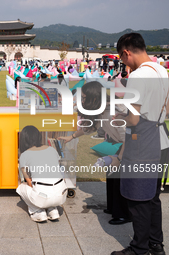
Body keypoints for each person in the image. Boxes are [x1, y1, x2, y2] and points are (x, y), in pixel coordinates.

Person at [111, 32, 169, 255]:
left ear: (126, 52)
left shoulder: (137, 76)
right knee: (152, 197)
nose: (123, 63)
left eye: (122, 59)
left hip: (142, 143)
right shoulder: (162, 70)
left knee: (138, 199)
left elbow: (133, 119)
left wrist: (119, 117)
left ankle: (139, 248)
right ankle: (156, 244)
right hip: (161, 139)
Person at [58, 81, 130, 225]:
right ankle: (113, 208)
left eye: (84, 98)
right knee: (111, 177)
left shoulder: (112, 112)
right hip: (120, 146)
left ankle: (124, 214)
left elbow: (128, 138)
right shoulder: (101, 110)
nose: (83, 101)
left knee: (119, 180)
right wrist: (71, 137)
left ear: (95, 98)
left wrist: (119, 159)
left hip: (129, 147)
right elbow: (90, 128)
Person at [16, 126, 67, 223]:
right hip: (61, 194)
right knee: (48, 187)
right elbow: (59, 169)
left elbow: (29, 182)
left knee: (21, 188)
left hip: (43, 196)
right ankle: (53, 210)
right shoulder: (51, 149)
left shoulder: (24, 155)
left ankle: (38, 212)